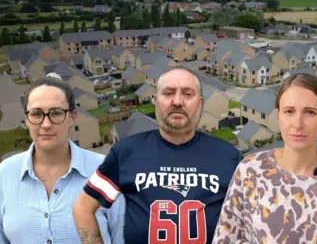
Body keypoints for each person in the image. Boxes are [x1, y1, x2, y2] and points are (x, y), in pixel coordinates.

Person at [73, 67, 242, 244]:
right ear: (155, 100)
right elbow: (83, 208)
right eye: (168, 93)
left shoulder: (228, 157)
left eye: (187, 94)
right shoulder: (127, 152)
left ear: (200, 103)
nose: (177, 101)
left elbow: (251, 217)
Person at [213, 73, 317, 243]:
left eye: (310, 112)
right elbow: (226, 238)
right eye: (289, 111)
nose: (298, 124)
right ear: (278, 116)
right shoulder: (250, 170)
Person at [0, 73, 124, 244]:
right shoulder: (5, 174)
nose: (46, 124)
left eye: (56, 113)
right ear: (26, 119)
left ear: (72, 117)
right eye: (36, 114)